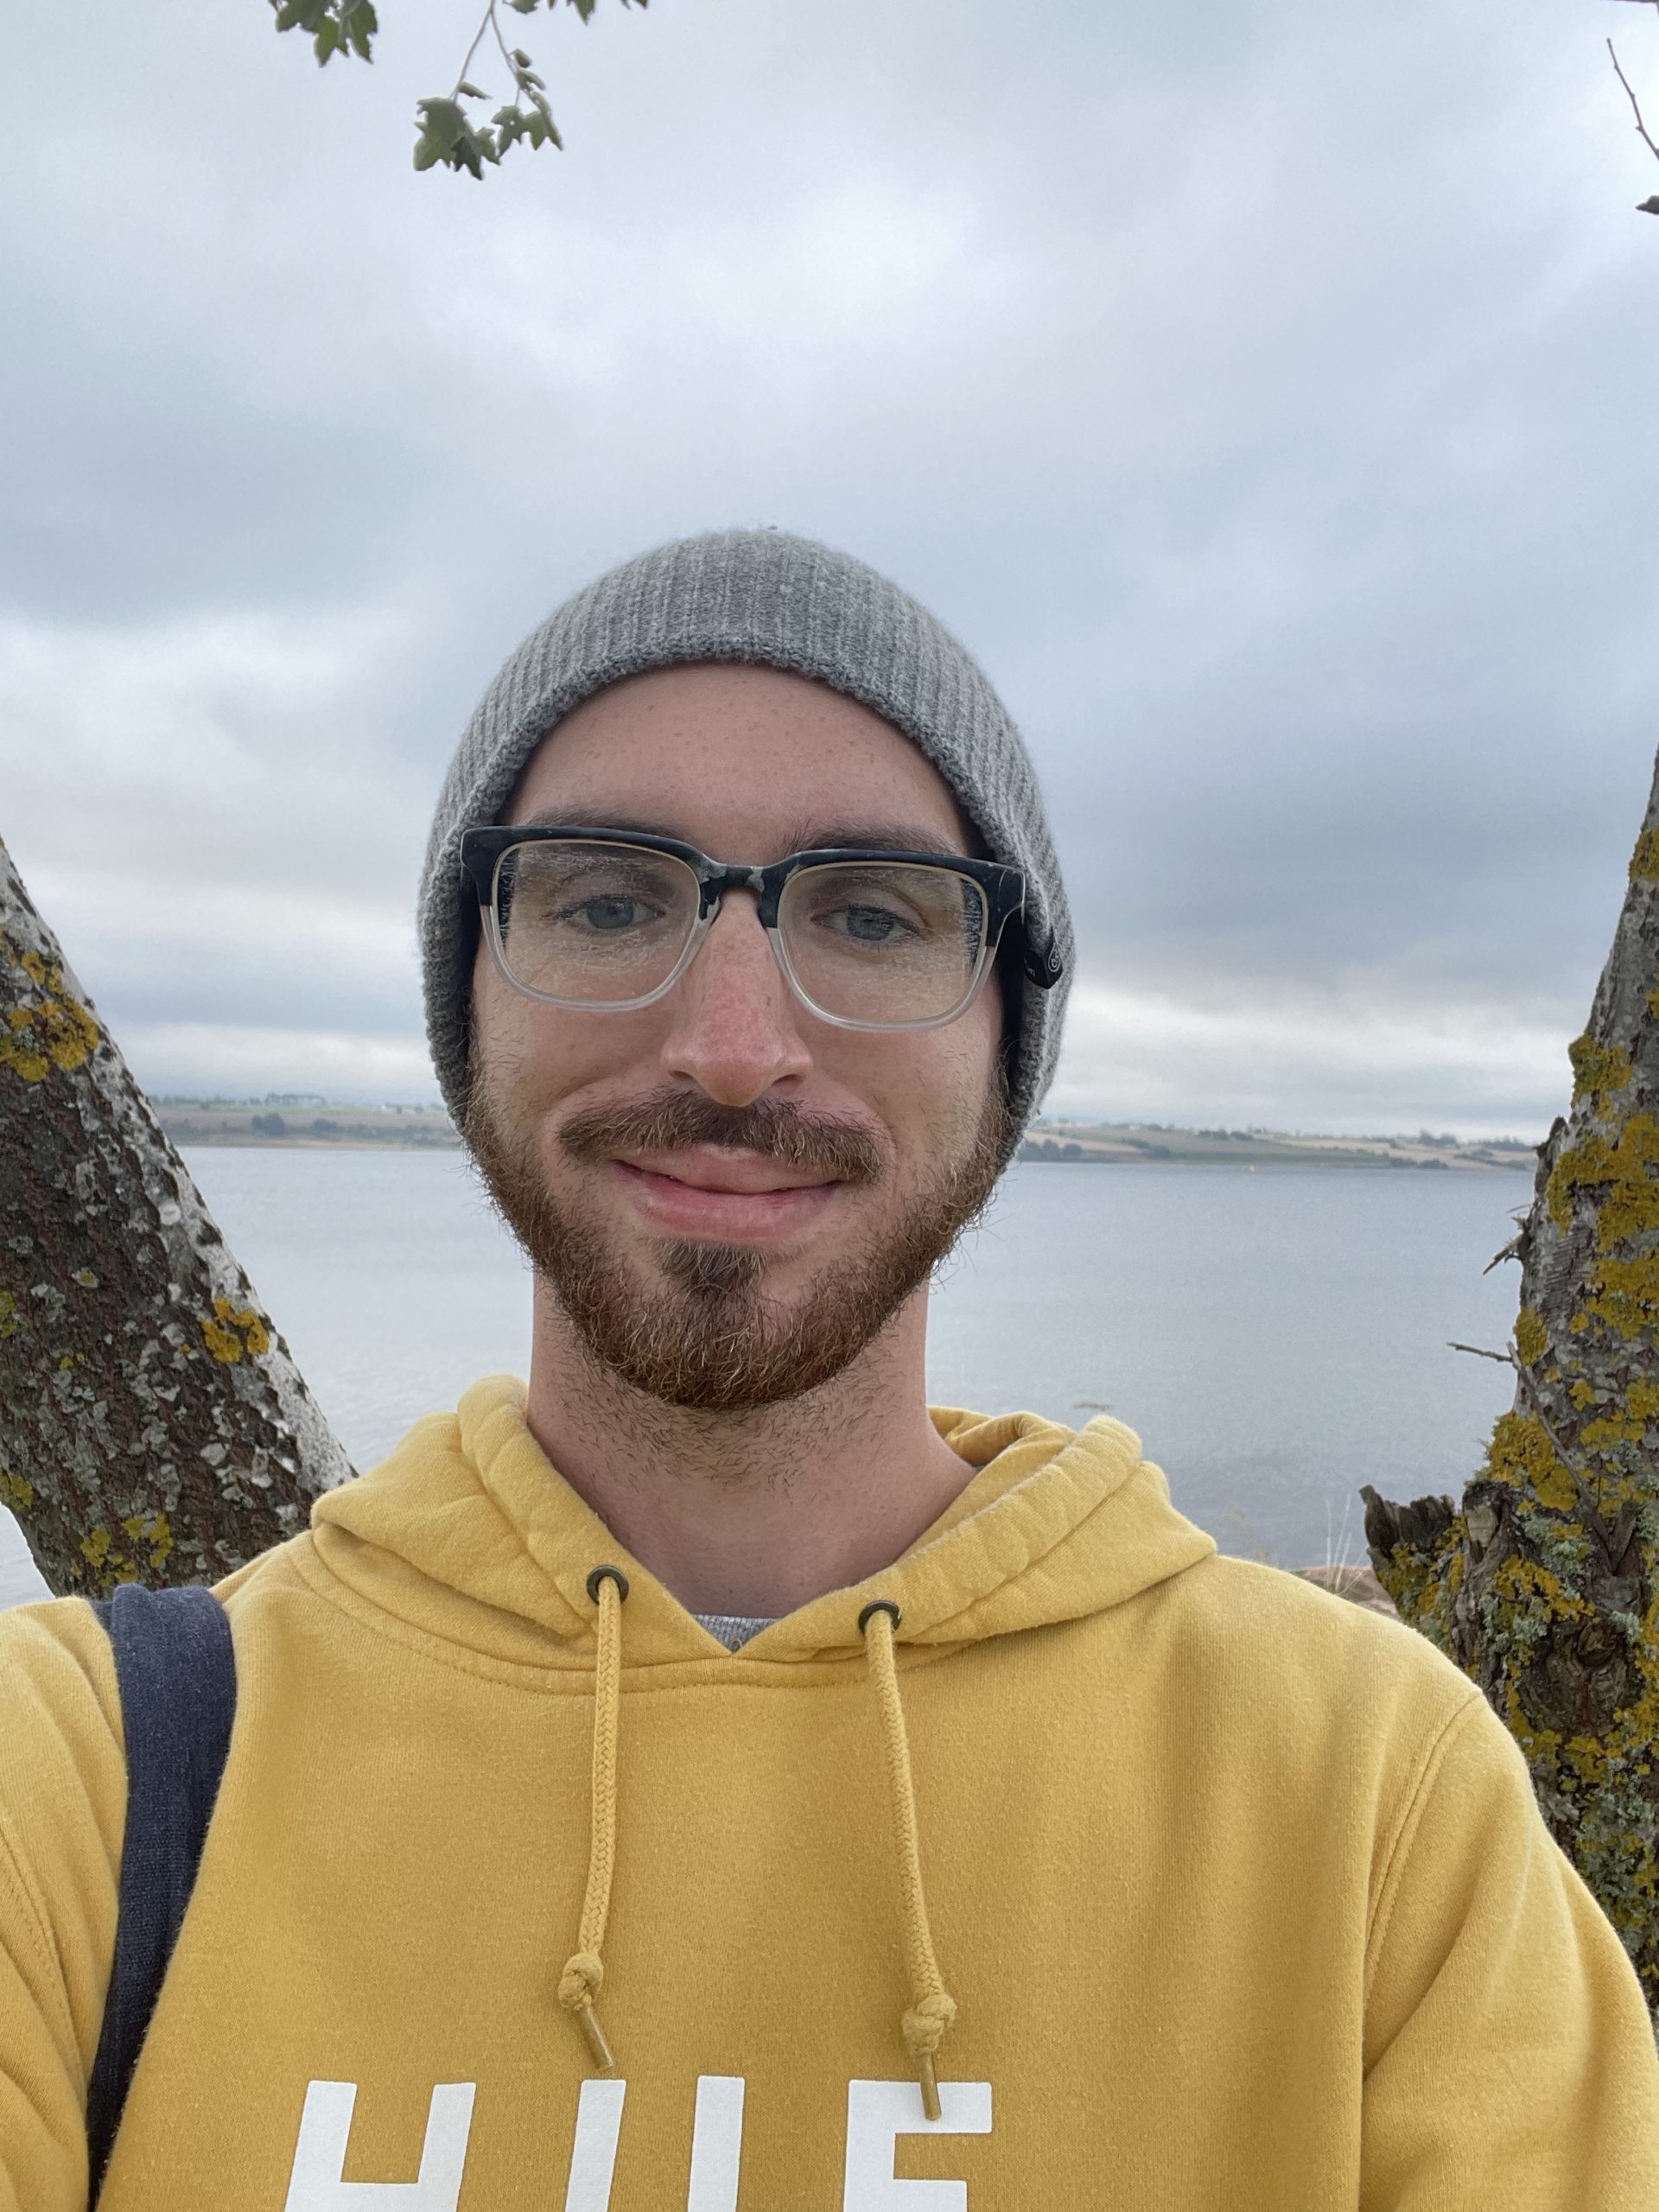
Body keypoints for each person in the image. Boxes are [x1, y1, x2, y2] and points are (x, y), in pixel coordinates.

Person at [1, 529, 1655, 2212]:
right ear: (468, 996)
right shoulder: (85, 1778)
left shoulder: (1371, 1803)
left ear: (1006, 1035)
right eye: (606, 896)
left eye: (870, 913)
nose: (731, 1043)